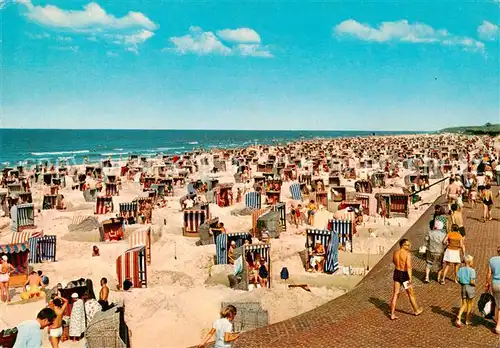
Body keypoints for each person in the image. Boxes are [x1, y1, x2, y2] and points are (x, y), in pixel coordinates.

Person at [389, 239, 423, 320]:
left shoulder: (395, 252)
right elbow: (408, 267)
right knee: (410, 293)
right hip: (404, 275)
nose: (409, 246)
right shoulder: (407, 254)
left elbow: (394, 261)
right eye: (407, 245)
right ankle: (416, 310)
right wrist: (410, 278)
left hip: (397, 273)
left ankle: (392, 313)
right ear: (403, 245)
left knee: (396, 293)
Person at [455, 255, 476, 327]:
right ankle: (467, 320)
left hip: (463, 287)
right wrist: (474, 284)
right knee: (469, 304)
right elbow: (471, 281)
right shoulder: (472, 270)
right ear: (470, 262)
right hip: (470, 287)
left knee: (464, 304)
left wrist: (462, 283)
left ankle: (459, 315)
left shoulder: (461, 269)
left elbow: (457, 279)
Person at [424, 219, 446, 283]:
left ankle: (426, 277)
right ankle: (438, 278)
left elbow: (426, 240)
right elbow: (445, 243)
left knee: (428, 263)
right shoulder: (443, 234)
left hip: (430, 250)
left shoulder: (430, 232)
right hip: (440, 252)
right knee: (440, 265)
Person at [487, 246, 500, 335]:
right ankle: (498, 326)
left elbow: (489, 273)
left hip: (495, 284)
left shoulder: (492, 260)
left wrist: (487, 283)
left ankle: (496, 319)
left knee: (497, 302)